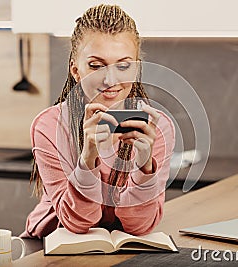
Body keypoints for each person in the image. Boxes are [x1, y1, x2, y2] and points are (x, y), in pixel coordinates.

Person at [21, 4, 175, 239]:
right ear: (76, 70)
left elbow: (140, 227)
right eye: (96, 65)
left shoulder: (157, 127)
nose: (110, 79)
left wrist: (145, 168)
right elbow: (77, 223)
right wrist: (88, 159)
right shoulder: (50, 126)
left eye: (123, 66)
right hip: (49, 245)